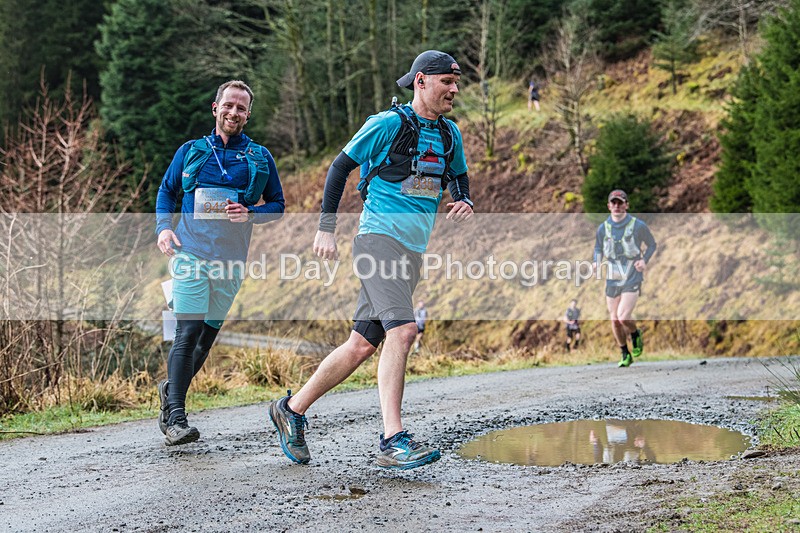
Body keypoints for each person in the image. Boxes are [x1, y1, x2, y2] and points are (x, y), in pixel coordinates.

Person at [269, 50, 474, 470]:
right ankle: (393, 439)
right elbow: (339, 167)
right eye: (446, 82)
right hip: (378, 242)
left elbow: (458, 173)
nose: (454, 89)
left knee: (362, 344)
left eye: (456, 83)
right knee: (403, 332)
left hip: (411, 254)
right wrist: (326, 227)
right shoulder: (386, 125)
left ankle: (291, 409)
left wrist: (464, 198)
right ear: (420, 81)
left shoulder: (450, 134)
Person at [155, 80, 285, 445]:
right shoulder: (191, 151)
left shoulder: (259, 157)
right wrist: (164, 229)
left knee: (204, 342)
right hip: (191, 252)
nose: (234, 112)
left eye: (241, 108)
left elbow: (277, 205)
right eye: (228, 105)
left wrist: (251, 213)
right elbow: (167, 191)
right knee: (188, 332)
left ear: (247, 114)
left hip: (231, 262)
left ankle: (171, 390)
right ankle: (176, 418)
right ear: (215, 108)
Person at [592, 190, 656, 368]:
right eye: (614, 203)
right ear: (609, 206)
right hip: (613, 275)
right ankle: (624, 353)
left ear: (626, 205)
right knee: (614, 319)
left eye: (620, 203)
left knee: (623, 317)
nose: (617, 206)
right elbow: (598, 248)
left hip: (632, 274)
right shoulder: (603, 228)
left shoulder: (638, 226)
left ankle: (635, 334)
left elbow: (652, 244)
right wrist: (596, 261)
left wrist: (644, 260)